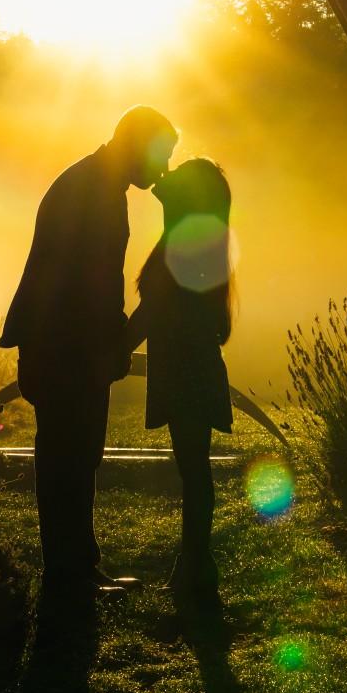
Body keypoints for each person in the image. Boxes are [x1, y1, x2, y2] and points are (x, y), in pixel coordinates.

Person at [0, 106, 178, 597]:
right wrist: (103, 341)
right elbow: (79, 283)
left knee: (75, 455)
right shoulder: (92, 191)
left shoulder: (95, 184)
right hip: (65, 346)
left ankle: (77, 567)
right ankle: (69, 573)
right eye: (161, 157)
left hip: (67, 343)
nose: (162, 170)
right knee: (67, 456)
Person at [124, 158, 234, 601]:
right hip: (190, 365)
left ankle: (196, 566)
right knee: (193, 469)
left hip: (186, 367)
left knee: (193, 469)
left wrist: (116, 346)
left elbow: (152, 312)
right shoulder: (196, 241)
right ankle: (194, 564)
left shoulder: (186, 246)